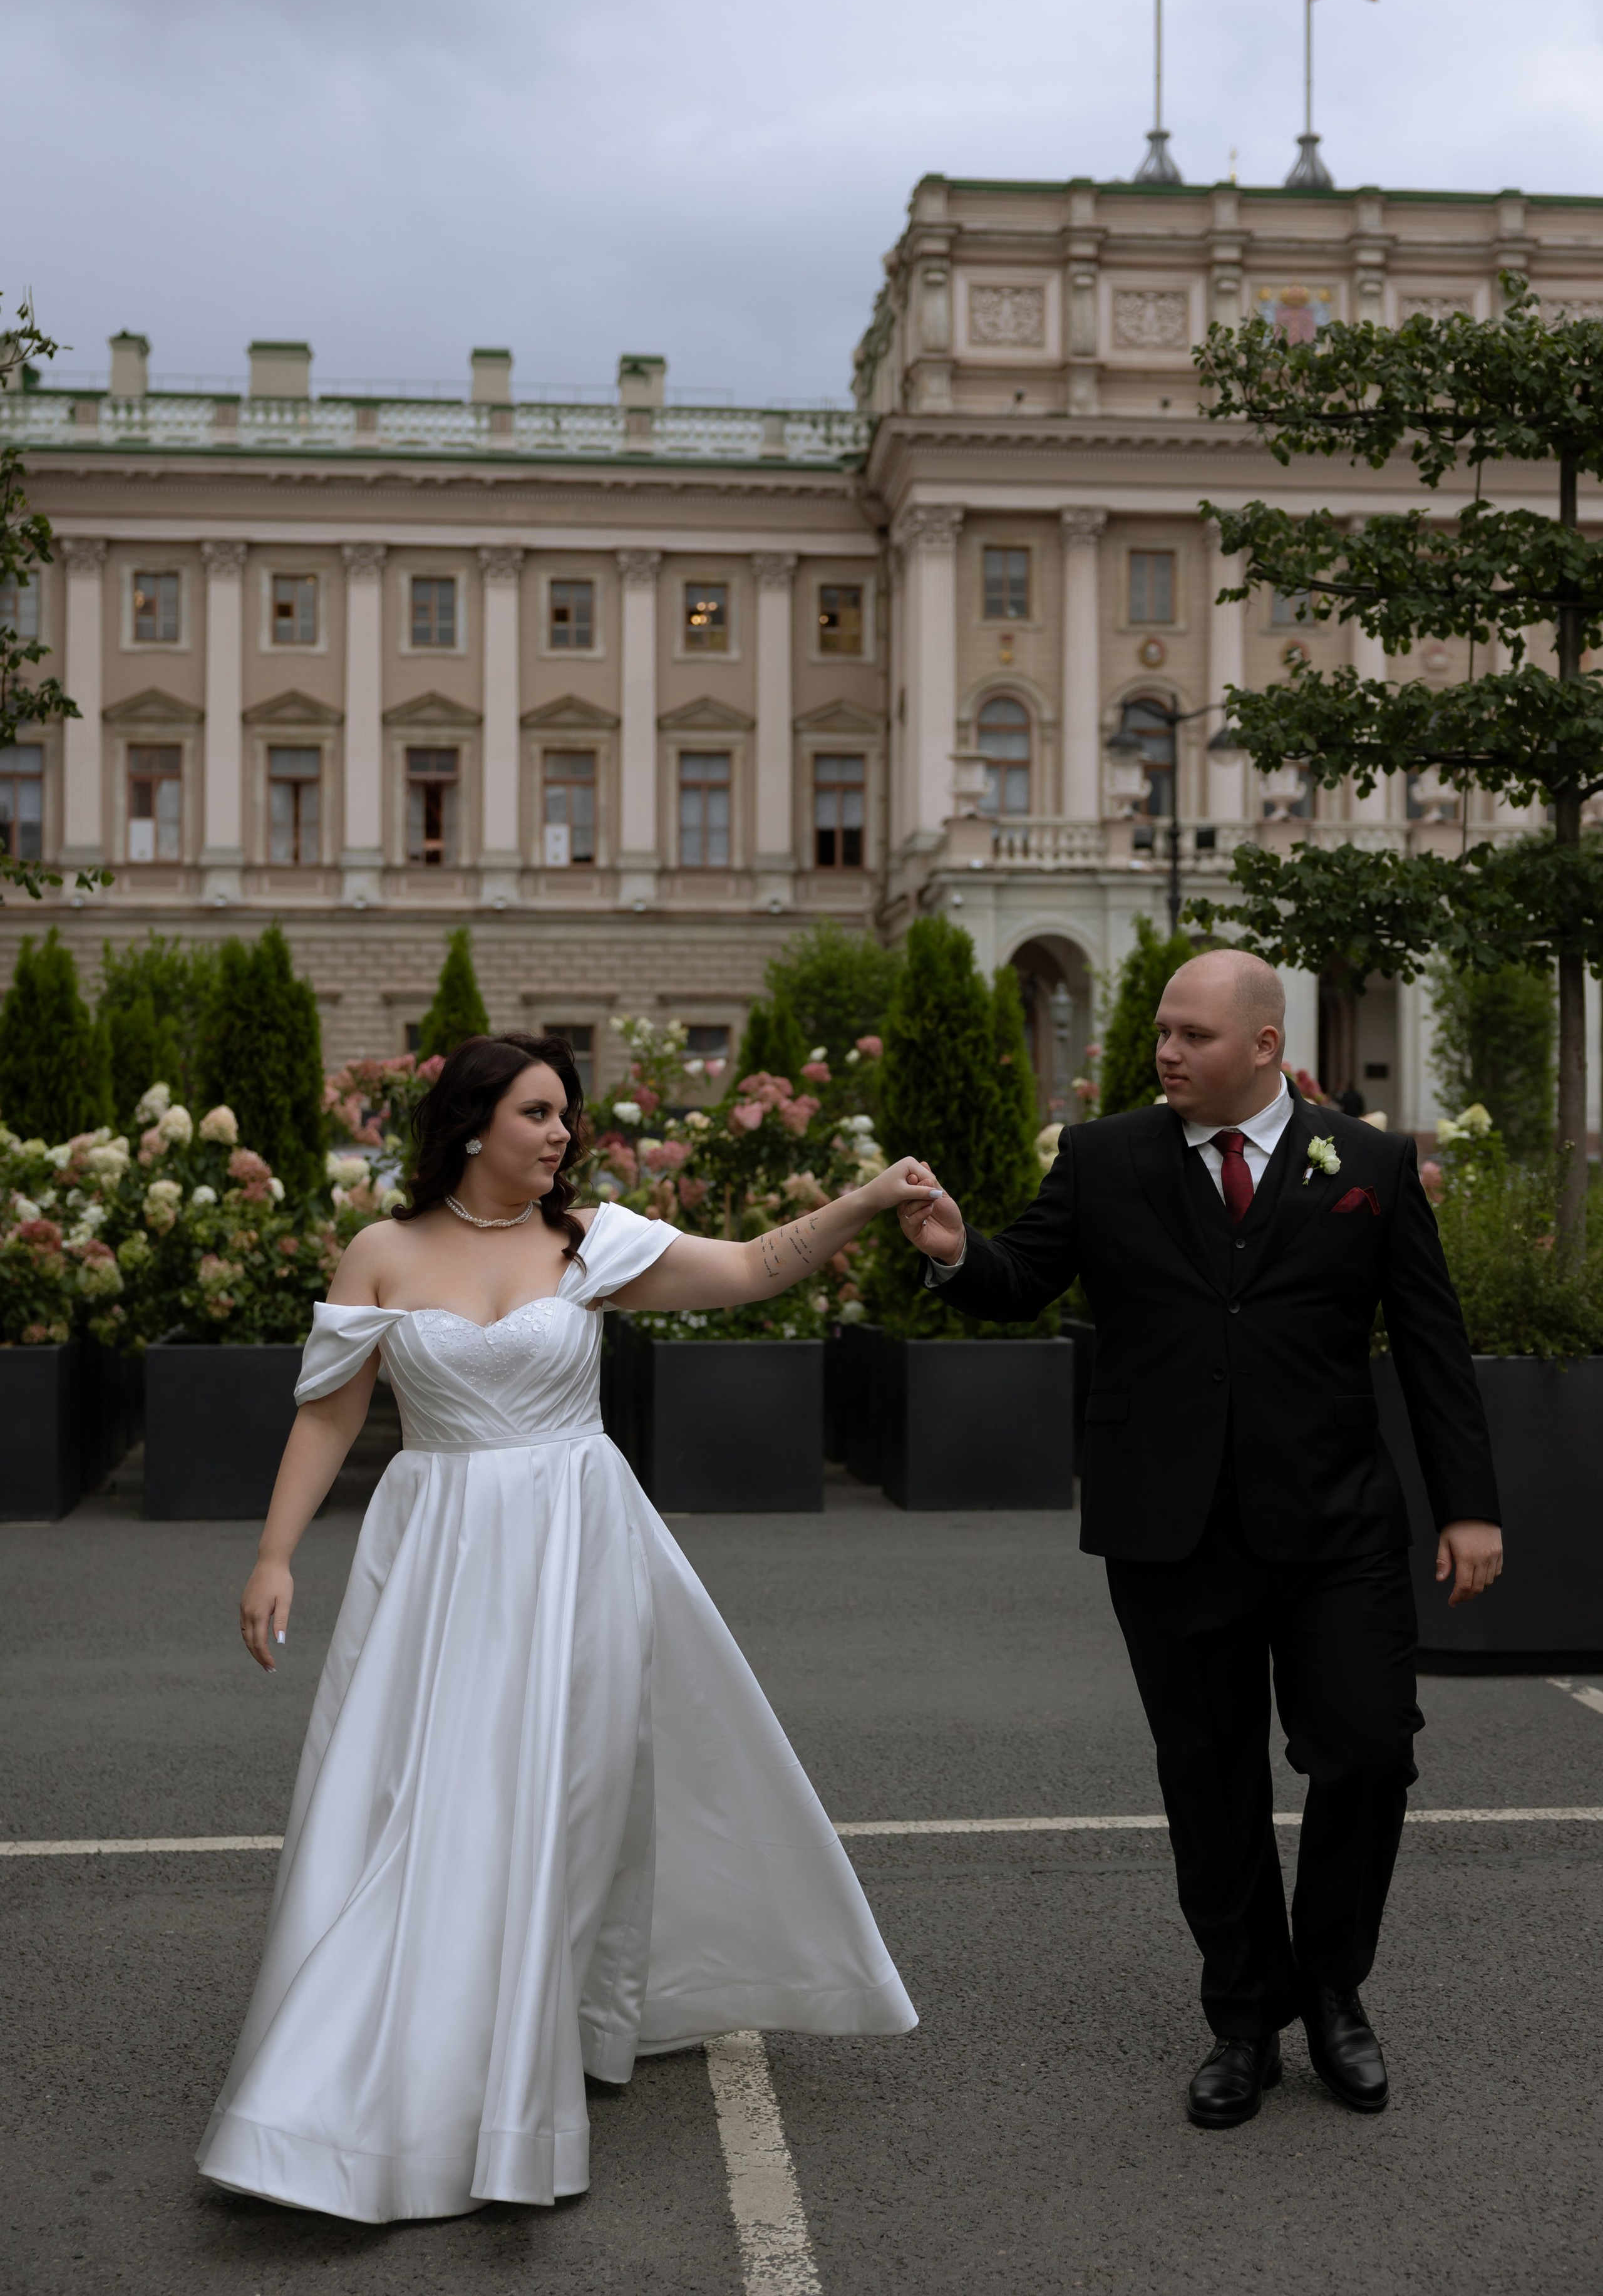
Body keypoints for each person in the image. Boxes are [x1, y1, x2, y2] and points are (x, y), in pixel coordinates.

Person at [198, 1033, 927, 2222]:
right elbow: (330, 1416)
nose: (560, 1133)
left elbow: (749, 1268)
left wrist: (865, 1200)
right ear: (474, 1122)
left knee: (562, 1800)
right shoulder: (381, 1251)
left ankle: (537, 2036)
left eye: (566, 1114)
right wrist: (276, 1554)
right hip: (437, 1555)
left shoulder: (592, 1244)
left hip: (581, 1552)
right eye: (538, 1111)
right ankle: (377, 2071)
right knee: (421, 1802)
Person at [899, 949, 1502, 2130]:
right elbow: (1023, 1277)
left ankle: (1331, 1986)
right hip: (1169, 1531)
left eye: (1193, 1034)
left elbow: (1433, 1343)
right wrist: (956, 1250)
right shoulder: (1104, 1156)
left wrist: (1471, 1505)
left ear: (1266, 1048)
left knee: (1369, 1751)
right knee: (1209, 1782)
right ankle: (1243, 2018)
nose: (1165, 1052)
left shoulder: (1367, 1163)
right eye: (1163, 1032)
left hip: (1337, 1524)